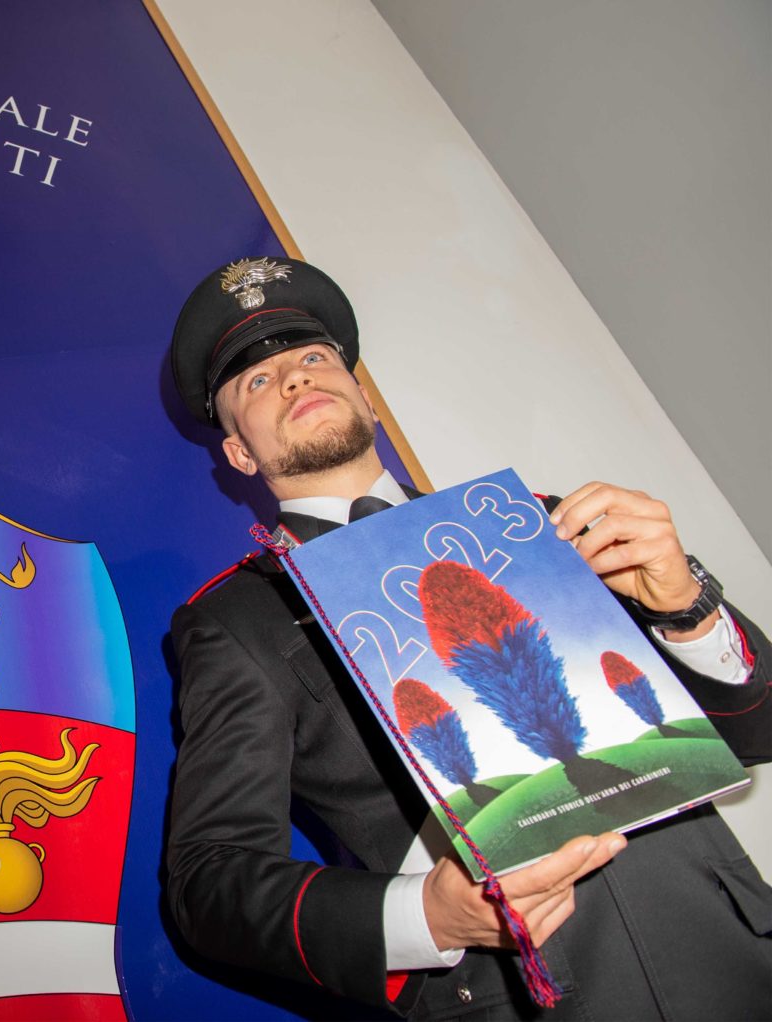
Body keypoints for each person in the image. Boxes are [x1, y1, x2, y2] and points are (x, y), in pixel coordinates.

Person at [164, 256, 772, 1019]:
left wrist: (687, 607)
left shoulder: (541, 523)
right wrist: (426, 917)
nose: (293, 377)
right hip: (523, 999)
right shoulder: (237, 620)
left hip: (730, 951)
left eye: (314, 357)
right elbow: (209, 882)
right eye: (257, 381)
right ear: (240, 453)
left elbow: (754, 731)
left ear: (365, 396)